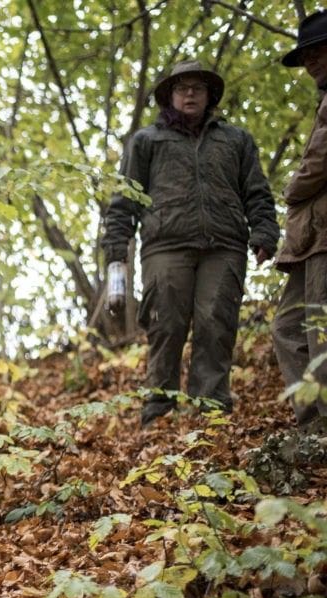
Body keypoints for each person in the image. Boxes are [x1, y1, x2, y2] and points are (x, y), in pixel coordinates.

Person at [102, 60, 279, 427]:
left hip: (225, 245)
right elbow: (124, 201)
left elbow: (257, 192)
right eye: (182, 88)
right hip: (165, 246)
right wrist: (116, 253)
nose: (190, 94)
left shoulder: (236, 140)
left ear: (209, 95)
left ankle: (211, 413)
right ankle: (158, 413)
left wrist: (265, 233)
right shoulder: (146, 141)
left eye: (197, 88)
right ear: (169, 96)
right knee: (165, 325)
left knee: (217, 324)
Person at [274, 10, 327, 432]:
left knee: (318, 329)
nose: (310, 63)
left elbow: (319, 162)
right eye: (305, 55)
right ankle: (312, 422)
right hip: (309, 239)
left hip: (324, 237)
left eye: (317, 52)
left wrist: (292, 189)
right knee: (288, 326)